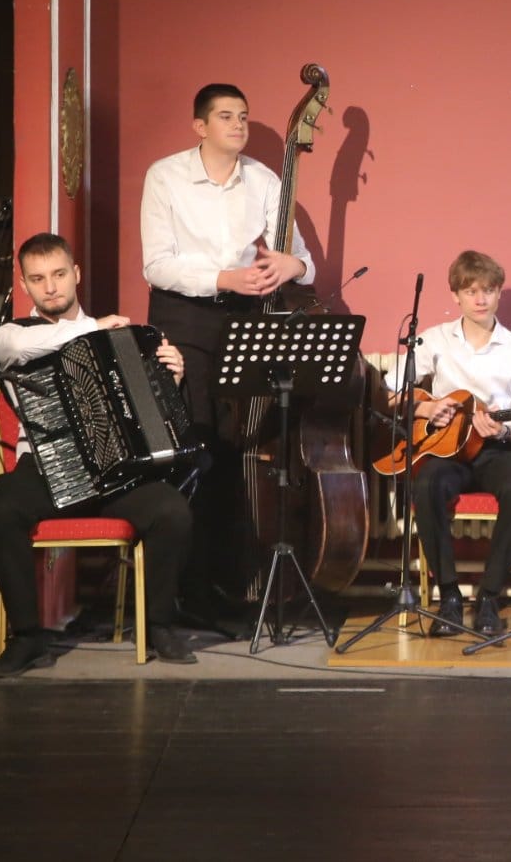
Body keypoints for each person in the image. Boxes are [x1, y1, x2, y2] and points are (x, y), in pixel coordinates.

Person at [0, 233, 196, 677]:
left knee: (172, 510)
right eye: (38, 279)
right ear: (24, 284)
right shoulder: (11, 336)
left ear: (76, 274)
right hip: (46, 471)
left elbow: (151, 418)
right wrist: (91, 328)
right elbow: (17, 349)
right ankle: (28, 636)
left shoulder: (116, 338)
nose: (50, 287)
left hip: (113, 472)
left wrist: (169, 381)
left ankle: (158, 626)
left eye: (59, 274)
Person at [140, 83, 314, 626]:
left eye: (243, 116)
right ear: (200, 126)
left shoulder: (264, 180)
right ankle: (183, 591)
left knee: (233, 452)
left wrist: (288, 266)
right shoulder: (165, 176)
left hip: (241, 318)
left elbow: (302, 260)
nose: (238, 124)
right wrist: (223, 276)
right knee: (193, 445)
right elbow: (156, 265)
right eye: (225, 116)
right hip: (183, 318)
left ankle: (221, 584)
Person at [383, 250, 511, 636]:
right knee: (426, 484)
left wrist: (504, 431)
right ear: (455, 295)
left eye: (488, 290)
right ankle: (449, 596)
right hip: (445, 448)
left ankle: (489, 597)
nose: (480, 299)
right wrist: (427, 409)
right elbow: (390, 395)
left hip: (497, 449)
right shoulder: (433, 340)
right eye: (471, 291)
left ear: (499, 293)